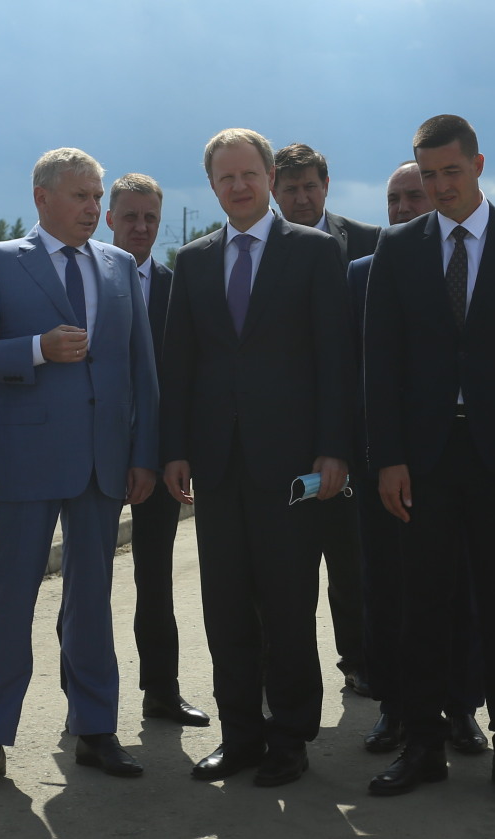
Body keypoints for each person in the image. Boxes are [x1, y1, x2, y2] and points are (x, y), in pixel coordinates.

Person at [363, 114, 495, 804]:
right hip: (422, 460)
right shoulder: (399, 248)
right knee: (421, 605)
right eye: (429, 175)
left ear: (478, 165)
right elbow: (380, 362)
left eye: (452, 171)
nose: (440, 186)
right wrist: (388, 458)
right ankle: (422, 746)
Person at [0, 149, 160, 794]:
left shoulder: (119, 266)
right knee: (11, 600)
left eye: (97, 196)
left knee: (92, 601)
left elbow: (142, 369)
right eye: (80, 196)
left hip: (102, 462)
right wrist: (36, 349)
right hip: (24, 460)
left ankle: (96, 729)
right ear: (42, 199)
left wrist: (144, 454)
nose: (94, 209)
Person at [161, 129, 353, 788]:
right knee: (225, 605)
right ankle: (239, 734)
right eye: (226, 178)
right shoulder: (193, 260)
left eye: (249, 174)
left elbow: (335, 357)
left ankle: (291, 737)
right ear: (212, 186)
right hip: (216, 464)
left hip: (293, 463)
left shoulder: (314, 251)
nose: (238, 187)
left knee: (289, 602)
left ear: (270, 177)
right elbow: (179, 364)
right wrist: (175, 449)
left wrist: (334, 448)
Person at [347, 161, 487, 758]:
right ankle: (394, 707)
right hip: (386, 460)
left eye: (414, 195)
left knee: (463, 587)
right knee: (386, 587)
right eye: (393, 199)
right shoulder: (362, 273)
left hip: (462, 457)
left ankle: (462, 707)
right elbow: (357, 369)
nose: (403, 207)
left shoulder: (476, 262)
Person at [272, 142, 377, 697]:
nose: (301, 198)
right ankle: (282, 673)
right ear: (274, 191)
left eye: (310, 186)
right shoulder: (259, 249)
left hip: (356, 432)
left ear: (326, 185)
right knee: (283, 566)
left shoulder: (369, 242)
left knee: (351, 559)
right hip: (281, 434)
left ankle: (359, 659)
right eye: (290, 189)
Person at [105, 173, 207, 727]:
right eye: (130, 216)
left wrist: (175, 454)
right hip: (94, 455)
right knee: (87, 580)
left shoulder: (177, 286)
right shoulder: (84, 280)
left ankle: (161, 691)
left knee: (155, 577)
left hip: (162, 458)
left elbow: (185, 378)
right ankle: (85, 701)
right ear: (110, 219)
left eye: (150, 218)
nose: (140, 227)